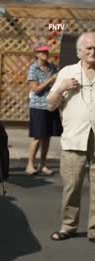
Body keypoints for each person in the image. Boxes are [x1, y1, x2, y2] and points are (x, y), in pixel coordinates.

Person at [46, 32, 95, 242]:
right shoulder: (68, 72)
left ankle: (94, 229)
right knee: (72, 186)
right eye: (89, 48)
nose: (93, 52)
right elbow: (50, 104)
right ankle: (68, 226)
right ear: (80, 51)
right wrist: (63, 88)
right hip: (75, 138)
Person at [25, 44, 62, 176]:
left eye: (46, 51)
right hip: (38, 107)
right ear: (37, 54)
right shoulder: (33, 69)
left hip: (51, 105)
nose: (45, 54)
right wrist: (50, 80)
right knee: (37, 136)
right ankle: (30, 165)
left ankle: (43, 164)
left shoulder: (52, 67)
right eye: (42, 52)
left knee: (47, 137)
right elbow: (35, 89)